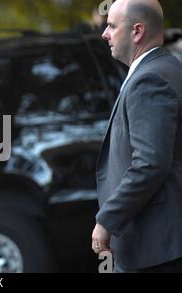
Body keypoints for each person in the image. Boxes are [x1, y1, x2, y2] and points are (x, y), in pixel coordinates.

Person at [92, 0, 182, 273]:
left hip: (156, 248)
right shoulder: (168, 68)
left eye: (111, 26)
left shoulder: (150, 79)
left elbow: (150, 163)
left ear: (137, 31)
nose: (104, 34)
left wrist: (107, 219)